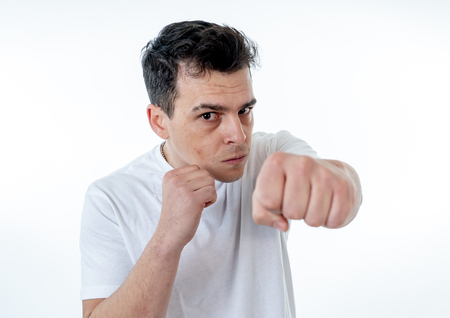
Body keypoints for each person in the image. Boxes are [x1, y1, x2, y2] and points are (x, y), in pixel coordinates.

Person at [80, 20, 362, 318]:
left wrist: (339, 184)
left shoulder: (270, 154)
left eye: (244, 111)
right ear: (159, 122)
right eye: (209, 115)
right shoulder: (110, 198)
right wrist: (168, 237)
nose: (239, 136)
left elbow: (341, 186)